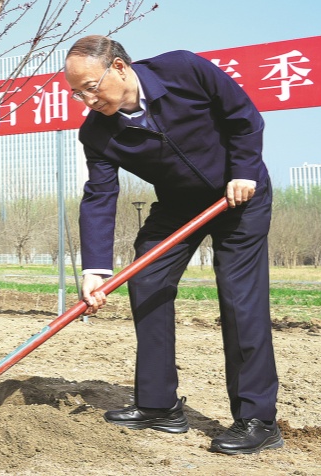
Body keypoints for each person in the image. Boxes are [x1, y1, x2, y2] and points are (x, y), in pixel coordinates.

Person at [64, 35, 281, 455]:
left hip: (241, 195)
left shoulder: (183, 70)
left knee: (239, 298)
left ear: (121, 67)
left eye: (91, 86)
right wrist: (95, 268)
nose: (86, 99)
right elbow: (99, 196)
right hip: (180, 204)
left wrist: (245, 171)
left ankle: (258, 419)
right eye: (77, 93)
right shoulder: (96, 133)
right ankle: (159, 405)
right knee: (146, 278)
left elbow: (244, 116)